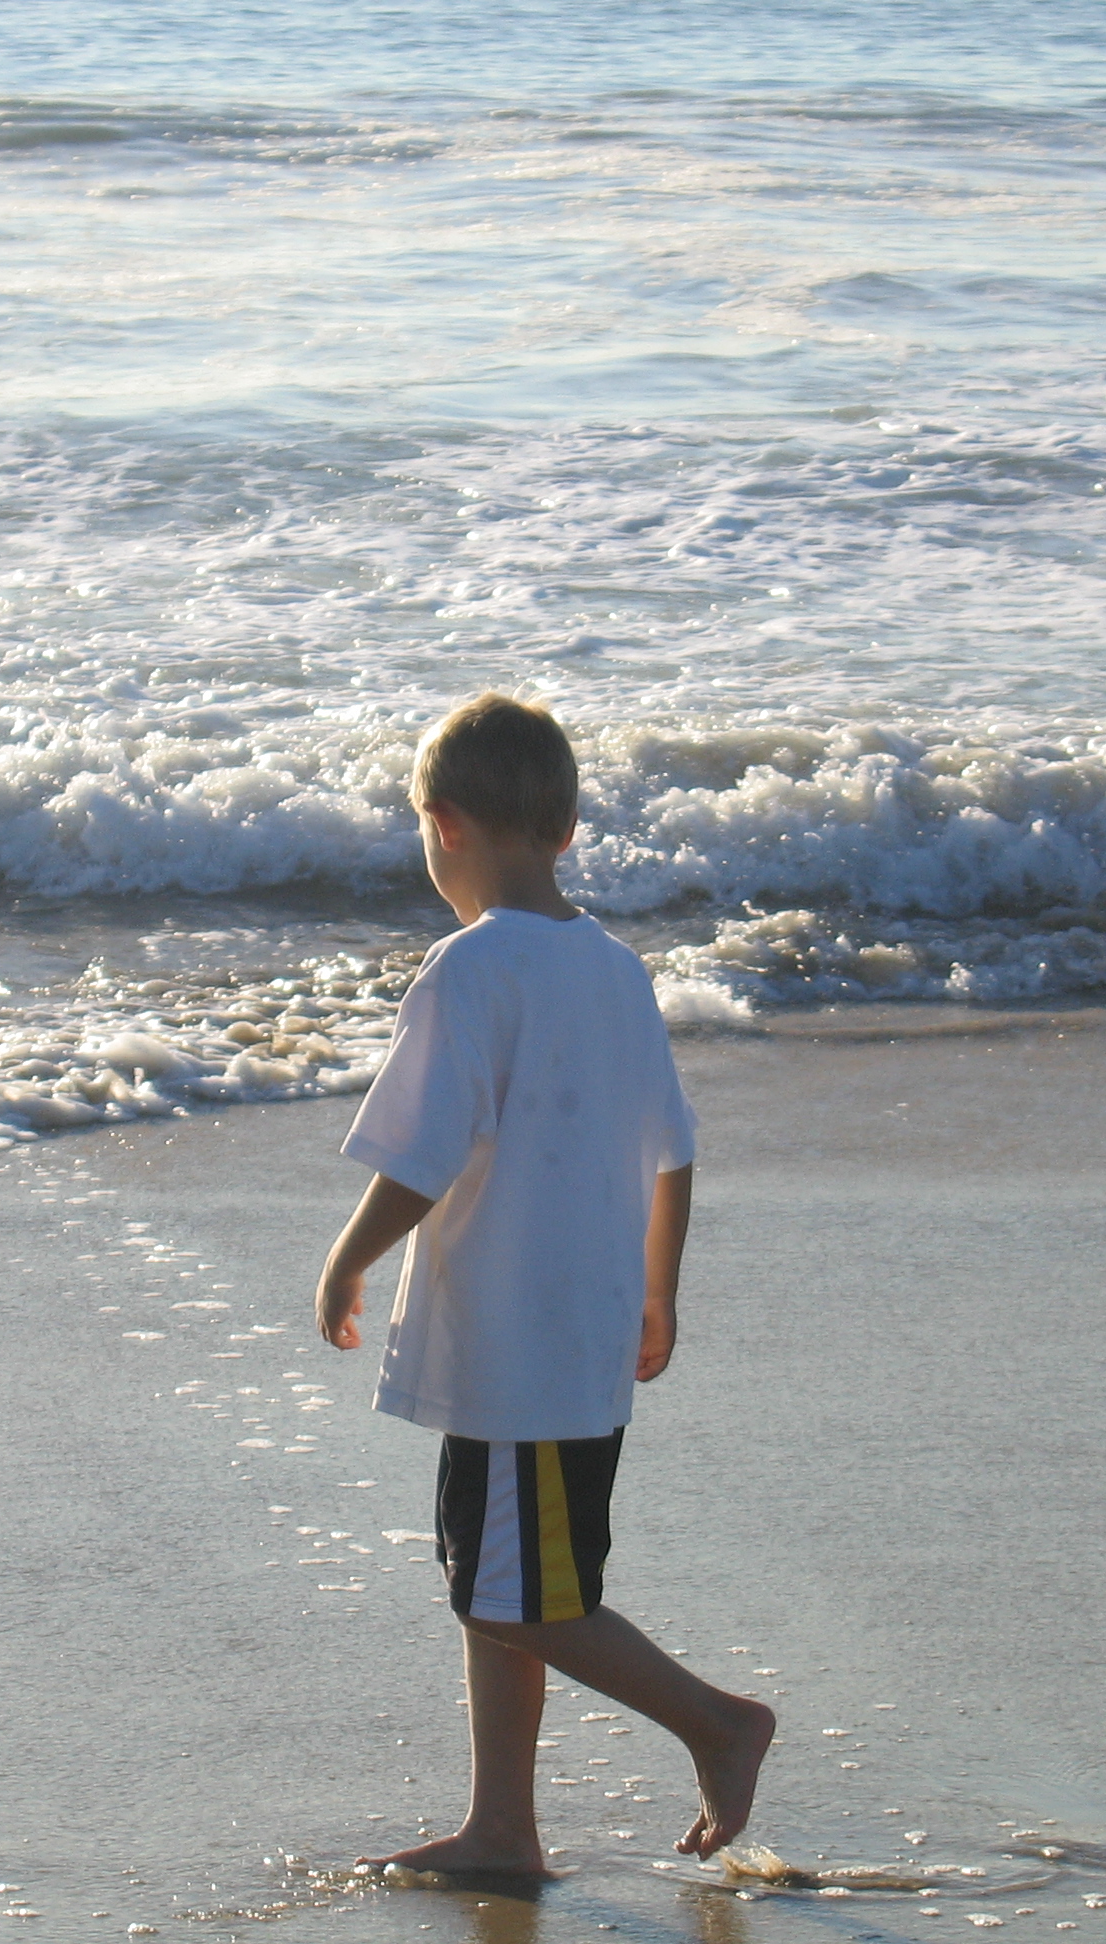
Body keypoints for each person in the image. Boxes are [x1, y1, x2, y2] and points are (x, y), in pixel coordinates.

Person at [316, 693, 774, 1876]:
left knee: (516, 1599)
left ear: (443, 825)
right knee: (499, 1583)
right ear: (566, 830)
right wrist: (660, 1293)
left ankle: (718, 1725)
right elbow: (673, 1149)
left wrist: (348, 1258)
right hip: (568, 1335)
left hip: (521, 1351)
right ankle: (503, 1829)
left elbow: (422, 1157)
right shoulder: (615, 969)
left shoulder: (469, 970)